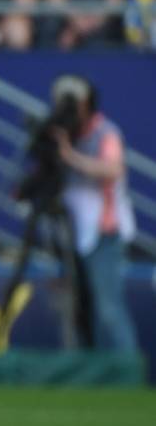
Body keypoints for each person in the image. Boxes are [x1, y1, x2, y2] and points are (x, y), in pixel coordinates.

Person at [50, 75, 138, 351]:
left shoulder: (105, 132)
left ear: (87, 104)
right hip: (73, 233)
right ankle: (98, 368)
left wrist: (70, 156)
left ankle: (127, 368)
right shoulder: (65, 134)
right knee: (84, 309)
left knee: (109, 310)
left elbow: (113, 169)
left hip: (104, 232)